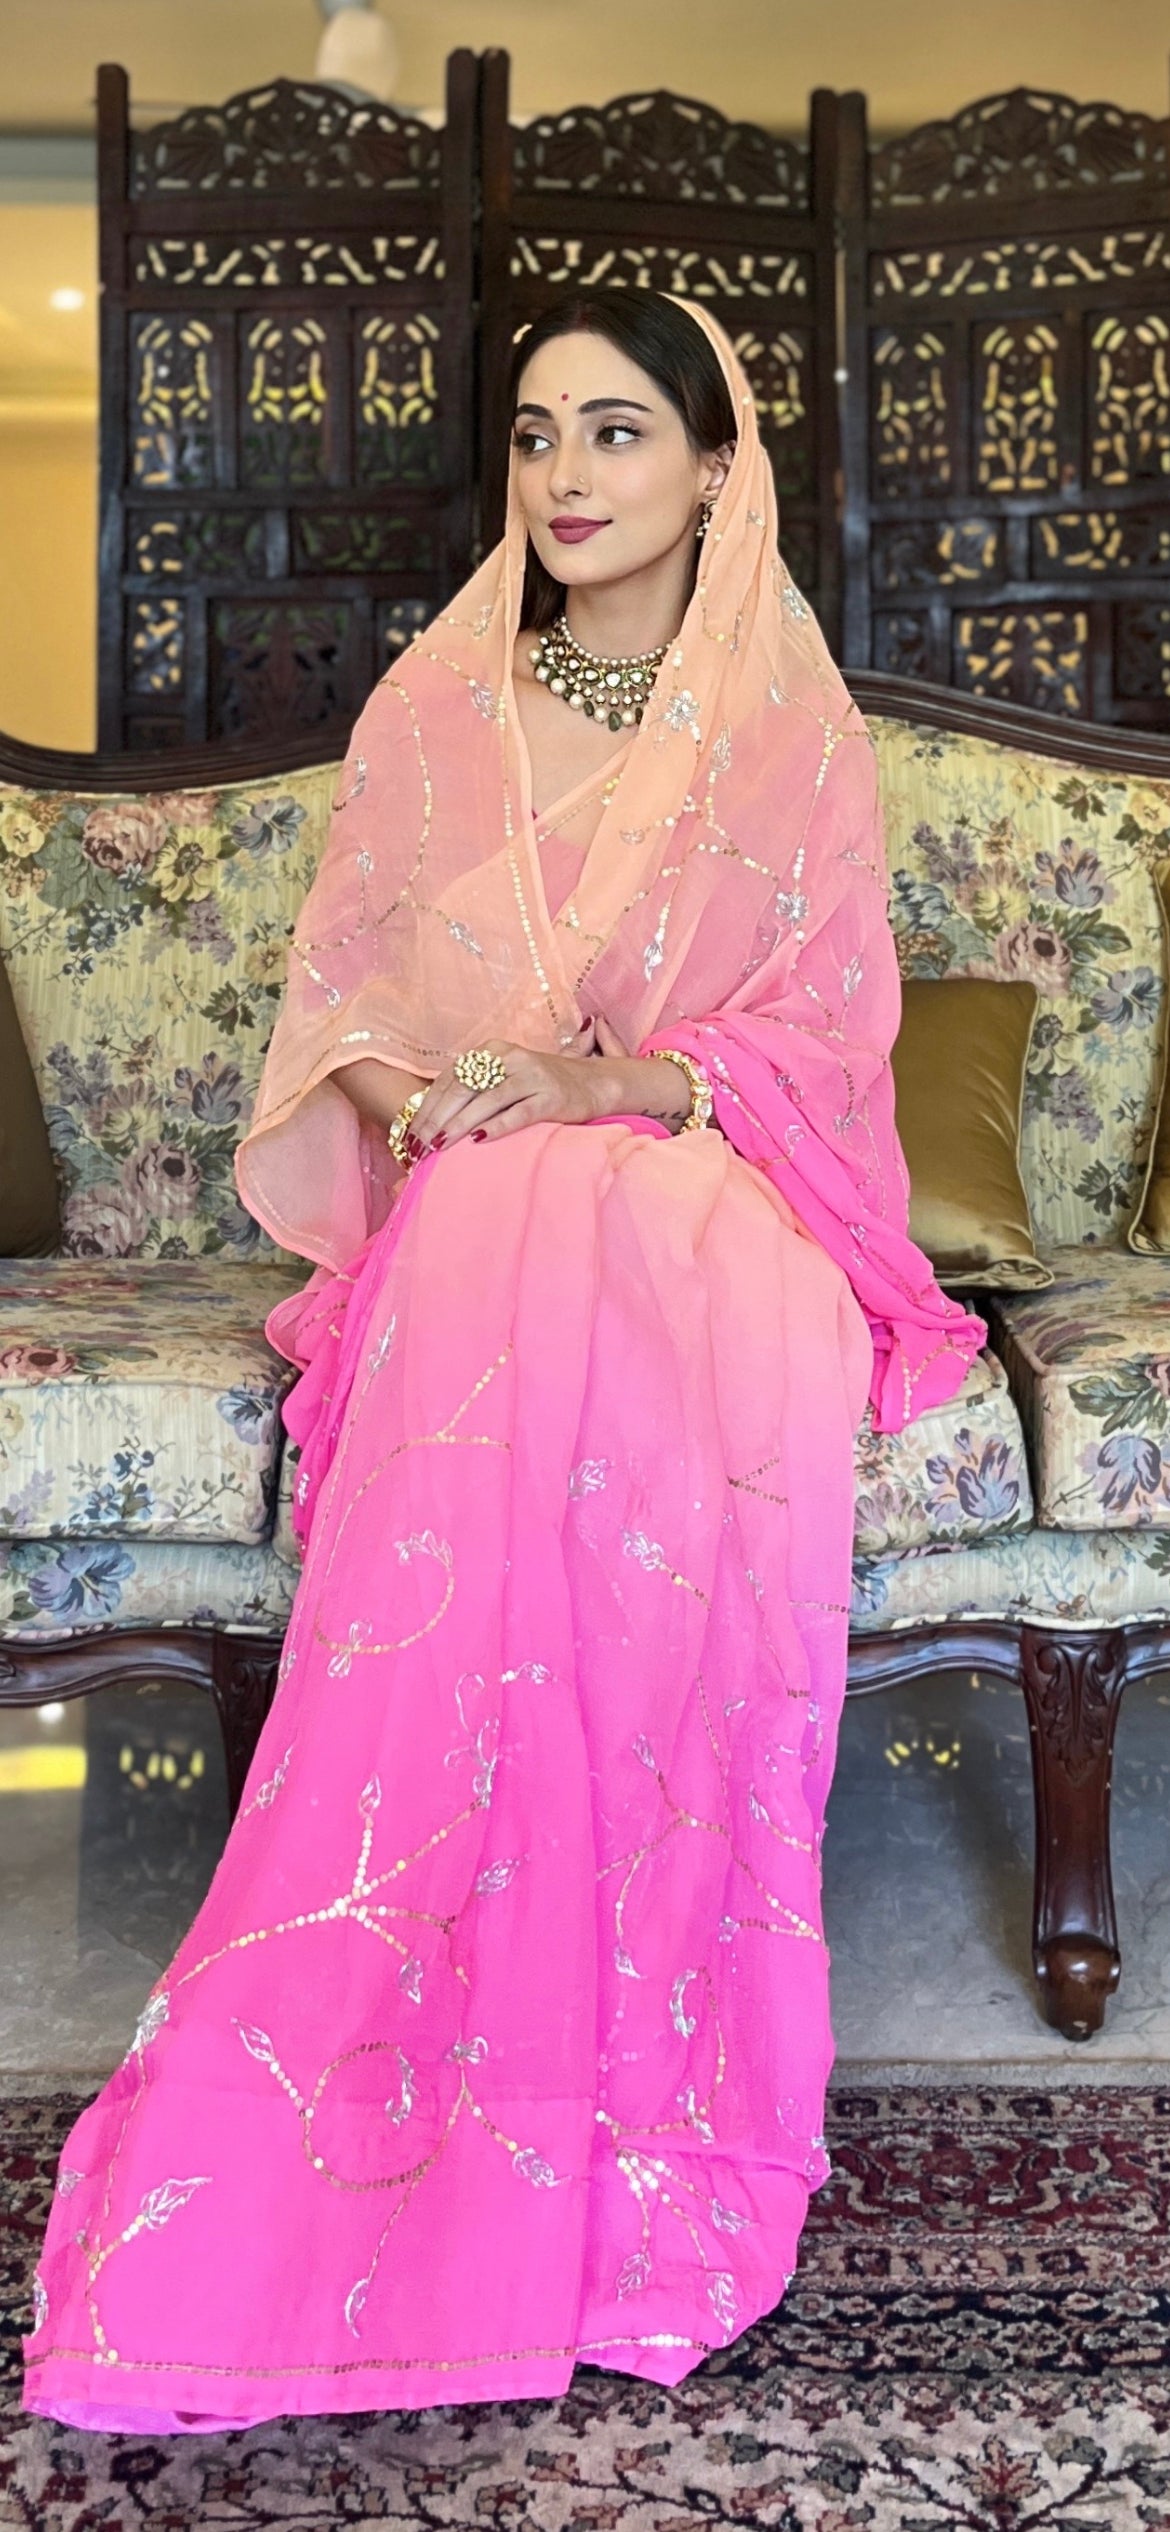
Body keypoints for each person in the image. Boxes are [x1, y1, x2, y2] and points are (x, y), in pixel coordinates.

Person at [24, 293, 981, 2433]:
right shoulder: (438, 709)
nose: (565, 474)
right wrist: (461, 1097)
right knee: (507, 1209)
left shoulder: (790, 737)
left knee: (597, 1209)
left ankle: (633, 2122)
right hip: (480, 1198)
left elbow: (824, 1047)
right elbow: (341, 1007)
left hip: (714, 1198)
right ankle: (386, 2094)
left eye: (619, 431)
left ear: (717, 469)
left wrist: (600, 1082)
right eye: (539, 431)